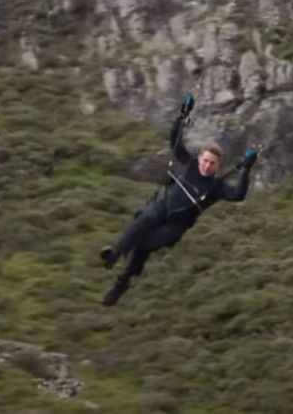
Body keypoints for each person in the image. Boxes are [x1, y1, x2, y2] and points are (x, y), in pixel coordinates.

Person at [97, 93, 258, 306]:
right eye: (205, 160)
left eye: (212, 163)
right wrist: (182, 115)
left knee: (145, 245)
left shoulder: (217, 187)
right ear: (200, 158)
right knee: (144, 220)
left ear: (217, 166)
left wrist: (246, 169)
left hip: (176, 225)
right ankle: (114, 253)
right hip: (163, 205)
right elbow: (175, 142)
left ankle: (122, 283)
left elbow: (238, 195)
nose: (207, 165)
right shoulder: (190, 164)